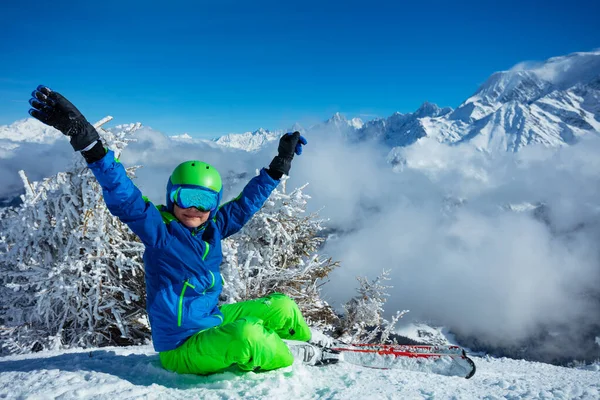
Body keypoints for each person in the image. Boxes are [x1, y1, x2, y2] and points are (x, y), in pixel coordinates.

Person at [28, 85, 331, 375]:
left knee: (282, 306)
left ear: (213, 206)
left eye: (204, 201)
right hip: (181, 345)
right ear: (172, 197)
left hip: (210, 321)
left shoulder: (214, 229)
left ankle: (310, 341)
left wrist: (279, 166)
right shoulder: (159, 233)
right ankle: (299, 356)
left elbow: (245, 205)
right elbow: (126, 199)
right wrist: (91, 146)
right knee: (247, 336)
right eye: (186, 197)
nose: (194, 209)